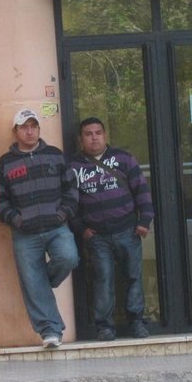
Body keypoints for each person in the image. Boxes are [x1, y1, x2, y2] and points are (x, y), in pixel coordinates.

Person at [0, 107, 80, 348]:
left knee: (69, 258)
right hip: (24, 233)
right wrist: (16, 220)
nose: (29, 131)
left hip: (57, 227)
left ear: (39, 129)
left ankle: (41, 283)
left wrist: (62, 214)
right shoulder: (5, 163)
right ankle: (50, 331)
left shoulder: (55, 155)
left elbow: (71, 190)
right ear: (15, 131)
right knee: (32, 281)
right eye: (24, 127)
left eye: (33, 126)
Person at [67, 117, 154, 341]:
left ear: (105, 135)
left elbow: (142, 190)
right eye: (88, 134)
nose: (94, 138)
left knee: (133, 277)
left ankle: (137, 323)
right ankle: (105, 327)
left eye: (98, 133)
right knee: (103, 280)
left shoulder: (124, 158)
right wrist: (81, 229)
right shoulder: (73, 166)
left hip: (128, 230)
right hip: (97, 237)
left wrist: (144, 221)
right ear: (81, 139)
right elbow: (69, 203)